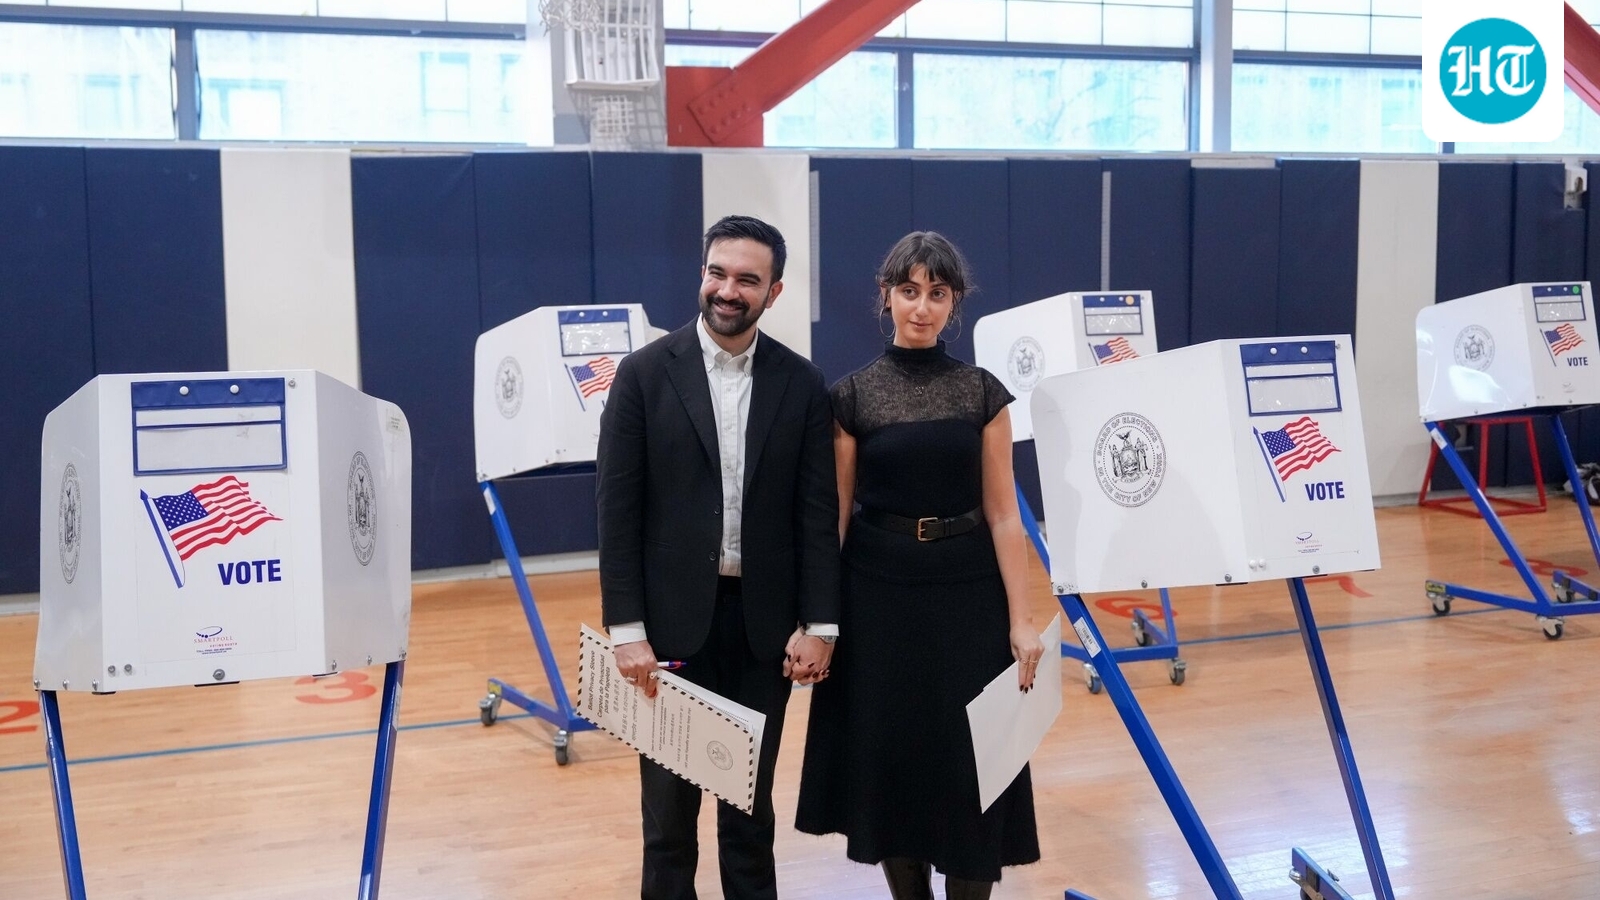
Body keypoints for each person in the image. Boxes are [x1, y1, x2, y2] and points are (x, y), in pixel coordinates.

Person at [596, 214, 842, 900]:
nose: (728, 290)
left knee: (749, 820)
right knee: (668, 826)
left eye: (747, 280)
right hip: (670, 633)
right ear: (701, 274)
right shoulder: (643, 375)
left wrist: (821, 624)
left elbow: (817, 514)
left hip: (763, 632)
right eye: (717, 273)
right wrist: (626, 629)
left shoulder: (802, 383)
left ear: (774, 291)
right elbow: (617, 512)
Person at [795, 231, 1043, 900]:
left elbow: (1004, 516)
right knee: (893, 759)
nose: (922, 307)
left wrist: (1022, 621)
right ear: (886, 297)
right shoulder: (852, 397)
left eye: (937, 293)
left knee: (973, 758)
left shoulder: (983, 393)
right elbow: (835, 520)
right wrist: (819, 619)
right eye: (909, 291)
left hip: (968, 595)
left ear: (954, 302)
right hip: (877, 596)